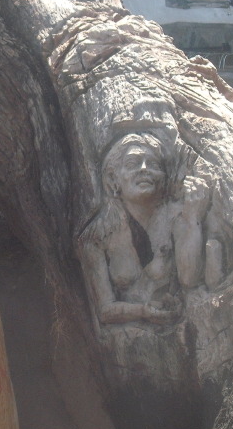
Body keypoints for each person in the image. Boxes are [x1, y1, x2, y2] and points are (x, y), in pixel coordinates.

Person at [77, 132, 208, 326]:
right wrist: (143, 312)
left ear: (163, 177)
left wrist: (193, 219)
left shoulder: (176, 217)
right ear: (114, 179)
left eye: (153, 164)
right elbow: (104, 310)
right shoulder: (97, 235)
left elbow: (189, 279)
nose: (144, 169)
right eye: (132, 164)